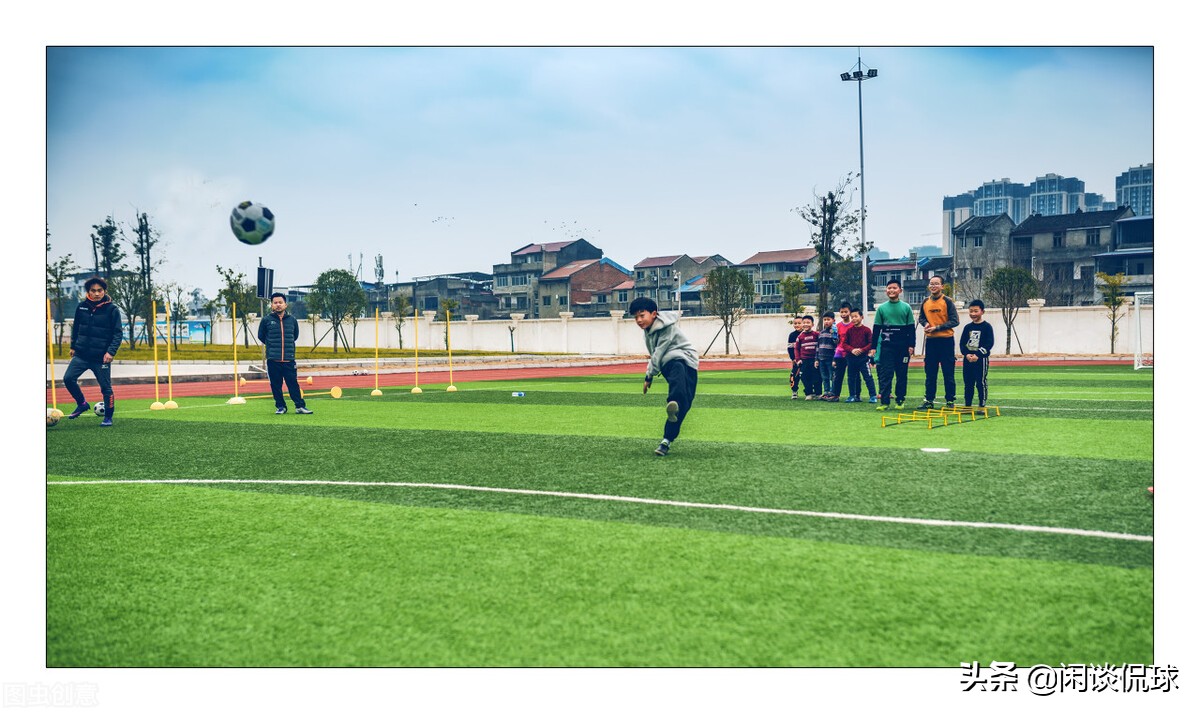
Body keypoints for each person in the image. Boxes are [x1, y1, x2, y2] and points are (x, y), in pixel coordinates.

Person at [631, 296, 698, 457]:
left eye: (642, 315)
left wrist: (649, 376)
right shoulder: (647, 333)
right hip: (672, 362)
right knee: (676, 368)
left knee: (685, 405)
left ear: (654, 314)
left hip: (689, 362)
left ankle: (666, 441)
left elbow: (659, 351)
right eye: (635, 317)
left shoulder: (667, 327)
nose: (639, 320)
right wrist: (649, 375)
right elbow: (655, 354)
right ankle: (673, 400)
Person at [63, 276, 123, 426]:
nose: (97, 293)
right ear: (88, 292)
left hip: (101, 357)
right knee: (68, 378)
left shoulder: (112, 309)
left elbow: (118, 334)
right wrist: (73, 346)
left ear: (104, 291)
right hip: (81, 354)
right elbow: (76, 327)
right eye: (93, 291)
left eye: (100, 290)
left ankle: (108, 417)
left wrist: (111, 352)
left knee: (105, 388)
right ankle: (82, 403)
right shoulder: (82, 307)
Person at [257, 292, 313, 415]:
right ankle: (281, 407)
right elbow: (261, 336)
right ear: (271, 305)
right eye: (275, 303)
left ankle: (300, 406)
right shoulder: (266, 320)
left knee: (293, 384)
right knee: (276, 386)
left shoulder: (292, 320)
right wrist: (271, 345)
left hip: (289, 359)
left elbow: (295, 336)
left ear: (285, 305)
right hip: (273, 360)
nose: (278, 305)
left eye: (280, 302)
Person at [871, 279, 916, 411]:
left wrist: (911, 345)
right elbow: (876, 329)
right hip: (887, 347)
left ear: (900, 290)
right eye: (889, 288)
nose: (891, 290)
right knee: (886, 374)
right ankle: (884, 402)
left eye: (894, 288)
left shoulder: (906, 307)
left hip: (902, 347)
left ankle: (900, 400)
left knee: (902, 375)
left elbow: (911, 329)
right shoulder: (882, 308)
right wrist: (873, 347)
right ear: (886, 290)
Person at [918, 275, 960, 408]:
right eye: (931, 284)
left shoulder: (947, 301)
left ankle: (950, 400)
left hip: (946, 341)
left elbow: (955, 321)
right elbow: (921, 318)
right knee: (930, 372)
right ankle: (929, 400)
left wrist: (938, 328)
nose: (933, 286)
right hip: (931, 342)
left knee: (948, 372)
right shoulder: (925, 302)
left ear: (942, 286)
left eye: (936, 284)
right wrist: (925, 324)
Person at [959, 299, 995, 408]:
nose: (973, 314)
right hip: (968, 359)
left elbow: (989, 343)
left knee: (980, 382)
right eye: (971, 311)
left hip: (981, 359)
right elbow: (962, 343)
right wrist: (966, 354)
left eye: (976, 311)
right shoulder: (967, 327)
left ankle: (982, 403)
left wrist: (977, 355)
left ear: (982, 312)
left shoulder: (987, 327)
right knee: (968, 383)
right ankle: (968, 404)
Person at [840, 308, 878, 403]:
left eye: (856, 316)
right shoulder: (849, 331)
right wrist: (852, 350)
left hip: (863, 358)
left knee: (867, 377)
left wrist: (862, 350)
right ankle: (853, 395)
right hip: (851, 358)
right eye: (852, 317)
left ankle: (873, 396)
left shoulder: (867, 330)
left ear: (862, 317)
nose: (854, 319)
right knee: (851, 377)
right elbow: (844, 344)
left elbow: (871, 343)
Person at [829, 302, 854, 400]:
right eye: (842, 312)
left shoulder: (853, 325)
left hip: (851, 353)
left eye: (846, 312)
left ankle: (855, 394)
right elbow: (836, 341)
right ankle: (835, 395)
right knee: (838, 375)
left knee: (853, 375)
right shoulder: (837, 326)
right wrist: (833, 335)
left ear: (850, 312)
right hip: (839, 353)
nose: (843, 314)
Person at [794, 315, 820, 399]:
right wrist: (798, 359)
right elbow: (796, 349)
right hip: (804, 360)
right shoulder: (800, 337)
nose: (806, 324)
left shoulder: (817, 334)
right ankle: (808, 393)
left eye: (808, 323)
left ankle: (818, 393)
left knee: (817, 377)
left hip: (814, 360)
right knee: (805, 377)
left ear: (812, 324)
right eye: (804, 323)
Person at [816, 312, 839, 401]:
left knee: (832, 376)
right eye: (825, 320)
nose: (826, 322)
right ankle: (826, 392)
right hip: (821, 359)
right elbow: (818, 346)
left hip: (830, 358)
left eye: (828, 320)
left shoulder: (834, 332)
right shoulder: (821, 333)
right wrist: (816, 359)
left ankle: (832, 393)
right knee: (824, 377)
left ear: (833, 320)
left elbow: (836, 345)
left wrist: (834, 359)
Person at [786, 316, 805, 400]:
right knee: (794, 376)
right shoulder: (792, 335)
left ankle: (810, 392)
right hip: (796, 361)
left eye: (799, 323)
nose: (797, 325)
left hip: (806, 359)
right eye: (795, 323)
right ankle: (794, 391)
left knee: (807, 376)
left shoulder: (808, 333)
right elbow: (790, 348)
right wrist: (793, 358)